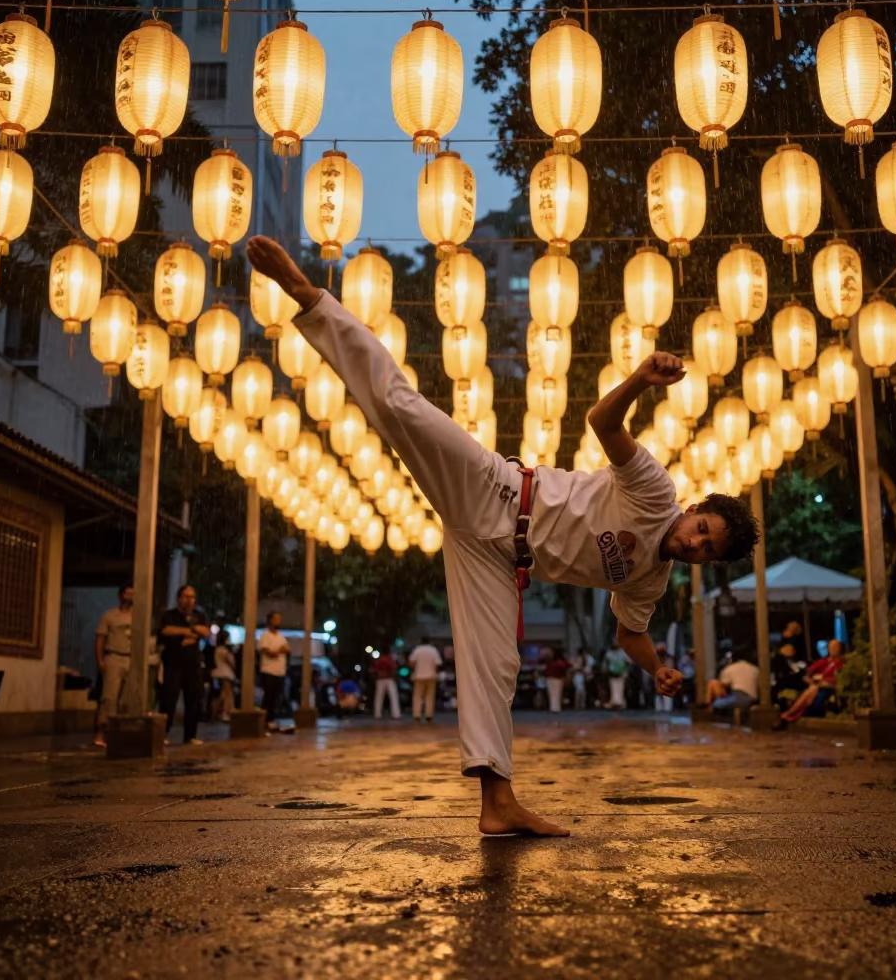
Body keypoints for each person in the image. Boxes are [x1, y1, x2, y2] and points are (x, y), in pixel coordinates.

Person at [247, 234, 759, 837]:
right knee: (401, 407)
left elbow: (631, 633)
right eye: (703, 530)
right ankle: (310, 298)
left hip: (494, 557)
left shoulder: (650, 578)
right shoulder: (654, 491)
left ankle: (498, 802)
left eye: (707, 551)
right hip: (495, 490)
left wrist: (658, 669)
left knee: (496, 665)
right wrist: (641, 381)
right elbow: (601, 421)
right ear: (695, 509)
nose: (695, 545)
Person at [158, 585, 210, 745]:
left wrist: (191, 629)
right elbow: (166, 630)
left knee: (193, 700)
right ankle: (162, 735)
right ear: (179, 598)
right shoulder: (169, 615)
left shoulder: (198, 615)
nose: (190, 600)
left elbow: (206, 632)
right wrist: (188, 632)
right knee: (168, 700)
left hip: (192, 664)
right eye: (186, 596)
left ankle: (190, 735)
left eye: (192, 597)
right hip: (172, 664)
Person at [93, 584, 134, 748]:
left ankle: (120, 734)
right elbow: (100, 638)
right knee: (109, 697)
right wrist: (100, 660)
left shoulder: (138, 617)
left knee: (127, 699)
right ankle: (102, 732)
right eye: (128, 593)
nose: (131, 597)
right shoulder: (109, 616)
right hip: (114, 656)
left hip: (131, 659)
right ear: (122, 595)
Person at [774, 639, 846, 728]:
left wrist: (824, 681)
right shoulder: (823, 661)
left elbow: (840, 679)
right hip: (816, 686)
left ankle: (789, 714)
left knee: (812, 691)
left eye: (834, 647)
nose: (831, 649)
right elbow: (806, 675)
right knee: (812, 691)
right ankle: (791, 715)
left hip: (830, 686)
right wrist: (812, 681)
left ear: (840, 649)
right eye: (830, 647)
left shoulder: (842, 664)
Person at [258, 612, 290, 731]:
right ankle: (264, 721)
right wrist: (280, 649)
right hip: (268, 670)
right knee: (268, 697)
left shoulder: (281, 637)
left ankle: (271, 720)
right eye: (276, 619)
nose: (278, 621)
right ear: (270, 620)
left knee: (277, 697)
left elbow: (288, 649)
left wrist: (281, 650)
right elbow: (269, 652)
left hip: (280, 671)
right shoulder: (265, 636)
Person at [409, 639, 442, 722]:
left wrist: (415, 669)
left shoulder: (417, 650)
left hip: (419, 676)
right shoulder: (433, 650)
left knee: (417, 696)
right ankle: (429, 715)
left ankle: (417, 715)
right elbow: (437, 664)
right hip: (431, 676)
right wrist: (435, 672)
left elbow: (411, 662)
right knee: (430, 696)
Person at [212, 631, 236, 722]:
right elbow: (232, 663)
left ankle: (217, 712)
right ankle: (225, 712)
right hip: (226, 673)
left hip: (218, 672)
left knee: (222, 693)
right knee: (227, 694)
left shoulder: (217, 649)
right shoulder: (225, 651)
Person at [372, 645, 401, 720]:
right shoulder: (391, 659)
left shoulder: (379, 659)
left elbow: (374, 669)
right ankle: (396, 714)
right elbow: (394, 668)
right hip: (389, 679)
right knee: (393, 697)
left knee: (379, 697)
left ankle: (377, 714)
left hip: (380, 679)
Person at [603, 640, 630, 710]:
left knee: (620, 688)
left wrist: (622, 666)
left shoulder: (623, 652)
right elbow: (606, 662)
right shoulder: (609, 653)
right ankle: (615, 702)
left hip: (621, 672)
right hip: (612, 673)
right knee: (613, 688)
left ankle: (620, 703)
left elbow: (628, 662)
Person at [544, 647, 570, 713]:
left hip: (550, 678)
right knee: (557, 694)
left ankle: (553, 708)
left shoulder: (550, 660)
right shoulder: (561, 662)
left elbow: (546, 669)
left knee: (552, 694)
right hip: (558, 678)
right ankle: (556, 708)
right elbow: (567, 667)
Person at [571, 646, 595, 710]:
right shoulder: (576, 658)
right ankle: (578, 704)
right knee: (579, 690)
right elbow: (575, 668)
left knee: (583, 691)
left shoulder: (586, 658)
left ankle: (582, 704)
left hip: (583, 676)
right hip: (578, 676)